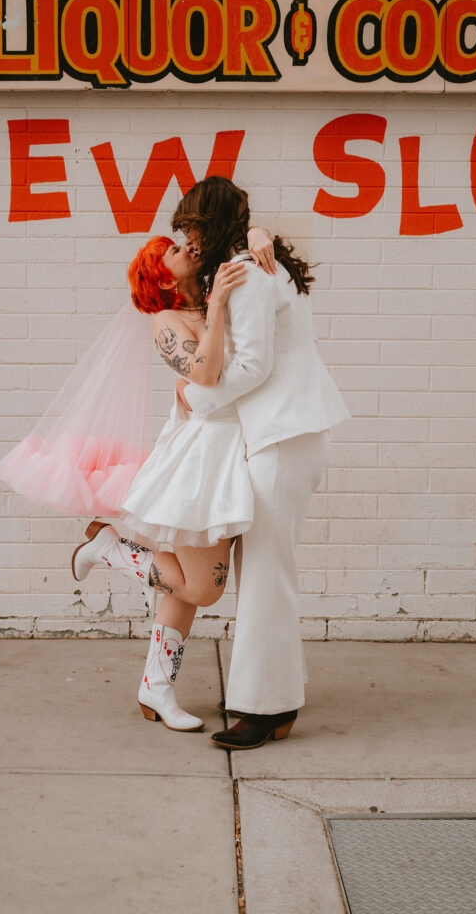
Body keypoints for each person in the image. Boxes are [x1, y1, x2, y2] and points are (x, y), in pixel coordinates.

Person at [166, 175, 352, 750]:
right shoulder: (263, 264)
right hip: (293, 432)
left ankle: (266, 710)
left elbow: (251, 369)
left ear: (210, 225)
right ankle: (273, 693)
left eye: (192, 228)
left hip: (281, 434)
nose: (187, 240)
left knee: (268, 575)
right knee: (267, 571)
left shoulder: (245, 275)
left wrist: (194, 398)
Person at [71, 233, 263, 733]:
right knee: (204, 588)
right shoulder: (167, 322)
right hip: (203, 460)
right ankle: (111, 548)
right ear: (161, 275)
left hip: (233, 450)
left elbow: (247, 234)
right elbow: (205, 377)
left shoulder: (216, 291)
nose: (187, 248)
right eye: (173, 250)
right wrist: (218, 303)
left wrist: (257, 238)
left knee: (185, 585)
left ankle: (156, 689)